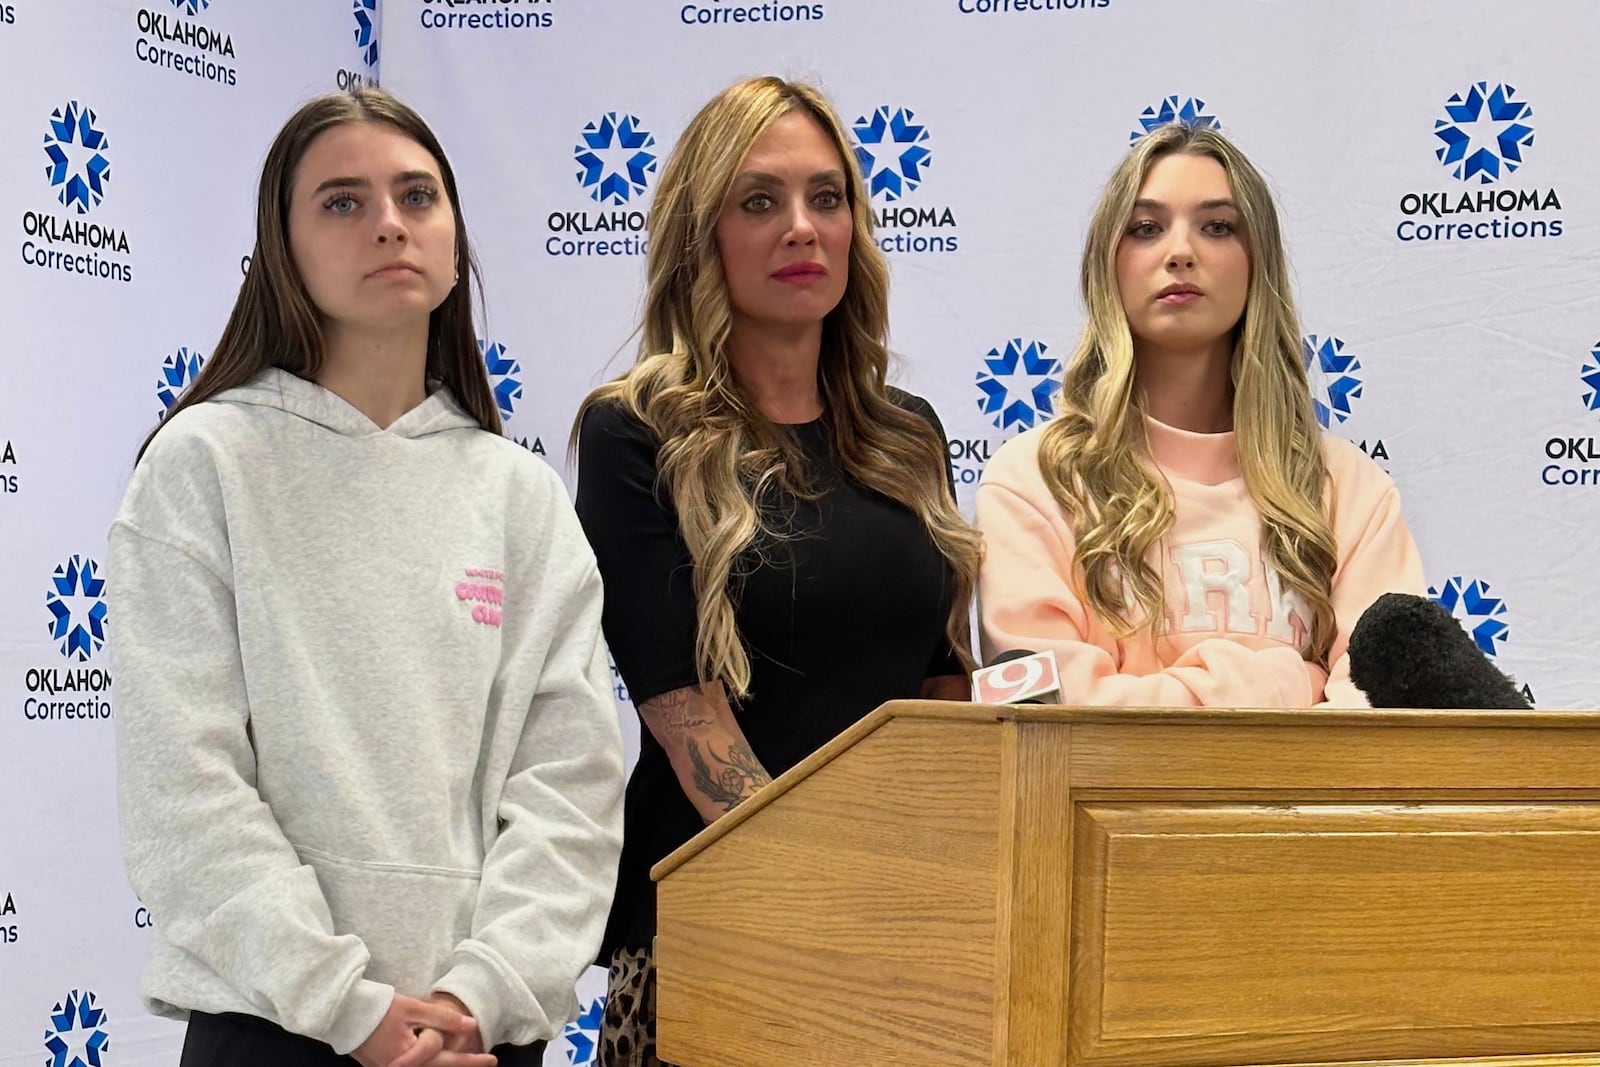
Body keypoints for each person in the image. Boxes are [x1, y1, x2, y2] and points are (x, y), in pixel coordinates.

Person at [107, 87, 625, 1067]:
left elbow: (571, 782)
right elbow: (187, 788)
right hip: (274, 1028)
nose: (389, 222)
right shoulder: (203, 465)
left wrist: (482, 987)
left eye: (417, 196)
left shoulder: (520, 496)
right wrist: (346, 1003)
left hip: (476, 1034)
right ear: (282, 248)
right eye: (342, 201)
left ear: (457, 239)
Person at [571, 75, 982, 1066]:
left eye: (826, 197)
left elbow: (938, 681)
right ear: (700, 235)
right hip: (722, 929)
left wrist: (953, 878)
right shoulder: (637, 431)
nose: (801, 227)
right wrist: (832, 904)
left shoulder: (905, 434)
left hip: (904, 934)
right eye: (759, 201)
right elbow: (685, 715)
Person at [976, 123, 1424, 708]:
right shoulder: (1034, 481)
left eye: (1217, 227)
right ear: (1107, 263)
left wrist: (1141, 695)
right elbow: (1046, 719)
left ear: (1256, 263)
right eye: (1145, 228)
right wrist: (1290, 682)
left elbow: (1378, 722)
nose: (1180, 252)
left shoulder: (1353, 493)